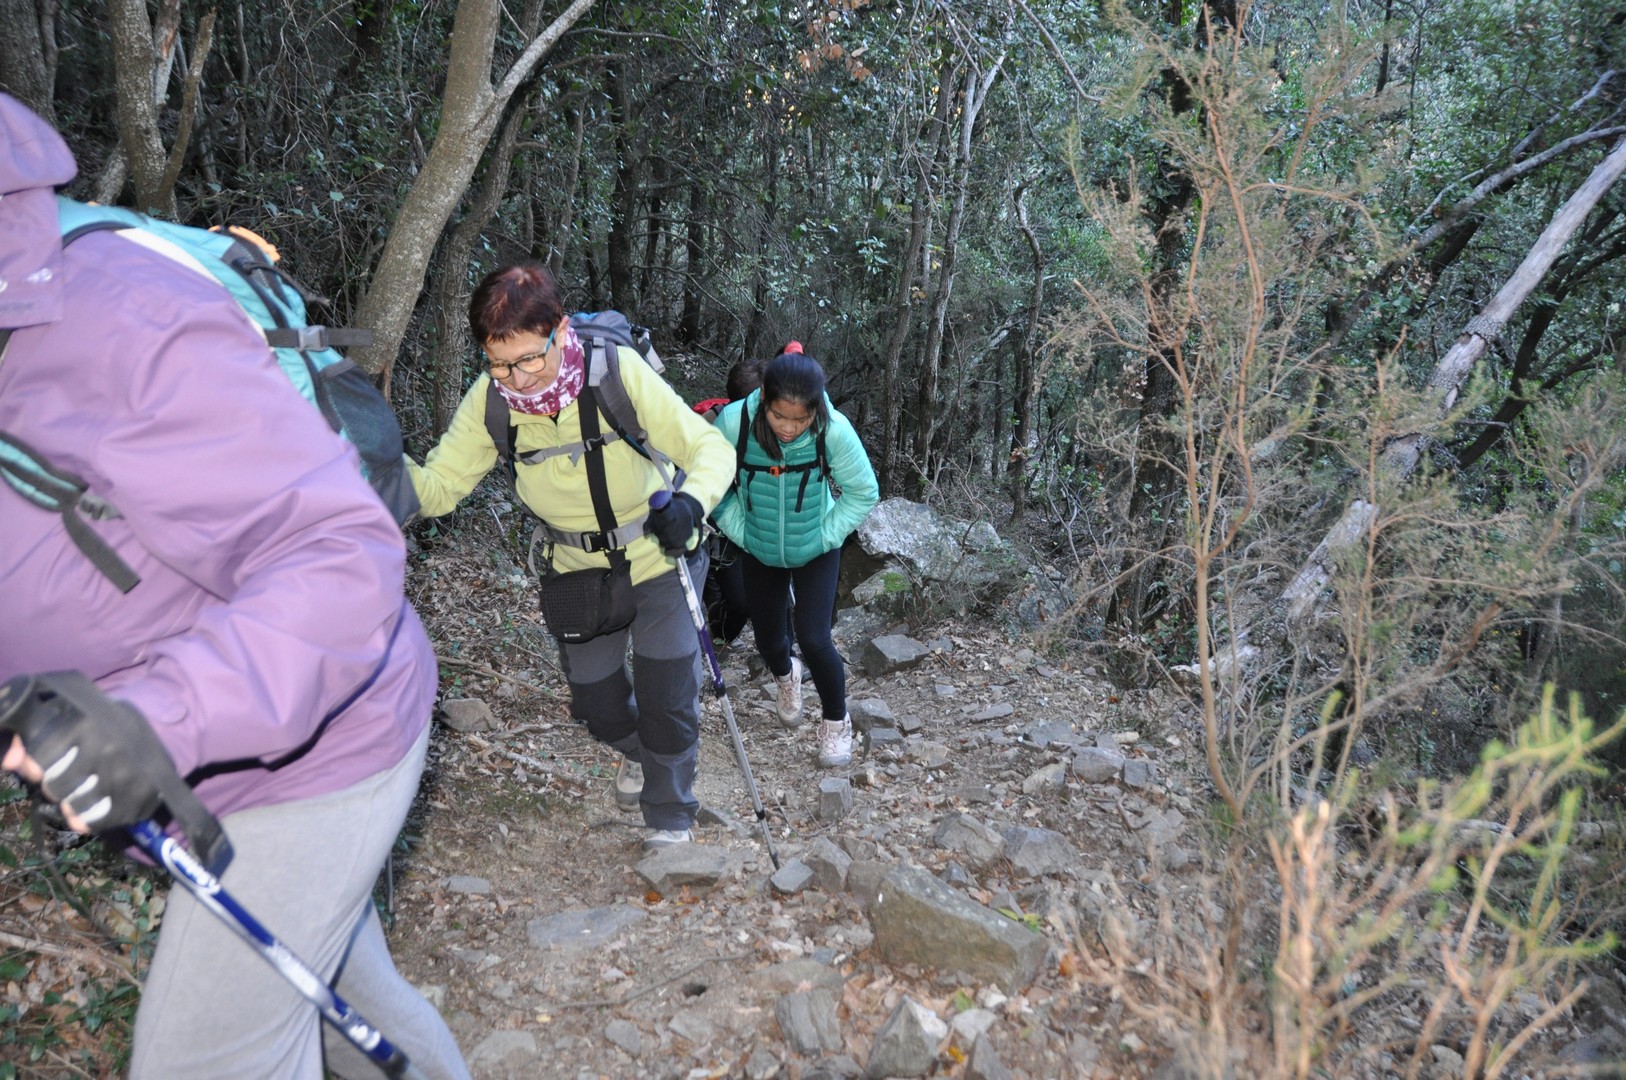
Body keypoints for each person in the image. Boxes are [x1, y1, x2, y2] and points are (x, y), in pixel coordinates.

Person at [0, 94, 469, 1079]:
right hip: (198, 771)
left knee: (207, 1058)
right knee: (347, 1005)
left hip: (318, 748)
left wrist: (154, 720)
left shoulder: (115, 317)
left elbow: (338, 550)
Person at [407, 263, 734, 851]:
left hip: (659, 555)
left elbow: (709, 447)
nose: (518, 378)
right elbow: (438, 490)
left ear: (560, 331)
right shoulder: (491, 402)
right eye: (499, 363)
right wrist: (376, 458)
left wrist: (691, 504)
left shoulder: (616, 373)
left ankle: (670, 817)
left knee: (667, 696)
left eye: (529, 359)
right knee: (596, 705)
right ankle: (645, 755)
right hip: (577, 570)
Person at [711, 343, 879, 767]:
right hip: (759, 545)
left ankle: (836, 723)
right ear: (763, 400)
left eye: (800, 419)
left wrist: (825, 536)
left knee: (815, 637)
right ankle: (788, 677)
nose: (788, 428)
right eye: (779, 416)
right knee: (770, 642)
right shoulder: (734, 423)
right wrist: (743, 532)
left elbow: (863, 491)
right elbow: (711, 486)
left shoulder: (832, 430)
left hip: (815, 546)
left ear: (815, 409)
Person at [701, 356, 770, 646]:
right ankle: (715, 629)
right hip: (712, 526)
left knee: (744, 600)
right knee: (737, 599)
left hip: (747, 522)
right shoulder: (709, 428)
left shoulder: (774, 427)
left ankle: (721, 630)